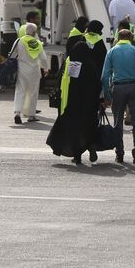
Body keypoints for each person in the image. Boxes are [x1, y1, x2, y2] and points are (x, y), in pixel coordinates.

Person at [47, 26, 103, 165]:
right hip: (90, 104)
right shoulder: (92, 65)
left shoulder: (72, 64)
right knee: (89, 127)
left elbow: (66, 81)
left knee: (75, 129)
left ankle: (77, 155)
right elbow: (98, 84)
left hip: (73, 102)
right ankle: (91, 146)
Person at [100, 29, 135, 165]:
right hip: (134, 87)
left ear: (117, 38)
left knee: (117, 122)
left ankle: (120, 153)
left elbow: (105, 76)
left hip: (118, 88)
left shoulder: (112, 52)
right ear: (131, 38)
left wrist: (107, 95)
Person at [9, 21, 49, 124]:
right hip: (34, 71)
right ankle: (31, 115)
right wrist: (46, 68)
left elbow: (12, 55)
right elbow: (43, 58)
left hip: (22, 69)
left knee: (20, 91)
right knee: (33, 93)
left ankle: (17, 113)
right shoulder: (37, 43)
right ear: (34, 32)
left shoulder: (19, 41)